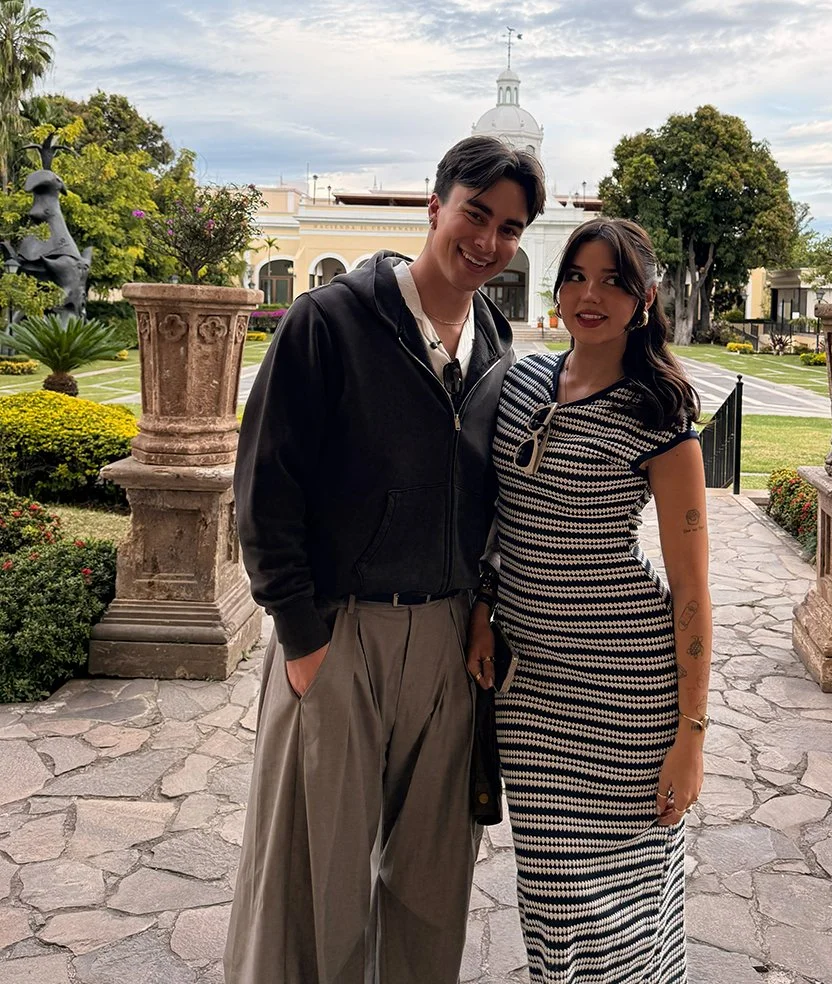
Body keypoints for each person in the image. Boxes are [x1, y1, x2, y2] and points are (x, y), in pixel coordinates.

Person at [225, 135, 546, 984]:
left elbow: (487, 498)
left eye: (510, 228)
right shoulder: (327, 322)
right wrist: (301, 636)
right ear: (433, 208)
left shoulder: (494, 344)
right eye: (476, 214)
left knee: (432, 885)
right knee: (309, 881)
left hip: (445, 640)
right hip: (338, 634)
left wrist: (484, 601)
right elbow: (263, 486)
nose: (489, 241)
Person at [468, 217, 711, 983]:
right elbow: (494, 515)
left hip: (627, 690)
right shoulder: (521, 382)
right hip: (533, 690)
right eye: (576, 275)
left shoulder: (660, 415)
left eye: (613, 280)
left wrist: (692, 735)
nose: (590, 294)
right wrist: (484, 604)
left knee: (627, 902)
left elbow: (693, 592)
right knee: (551, 893)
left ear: (645, 299)